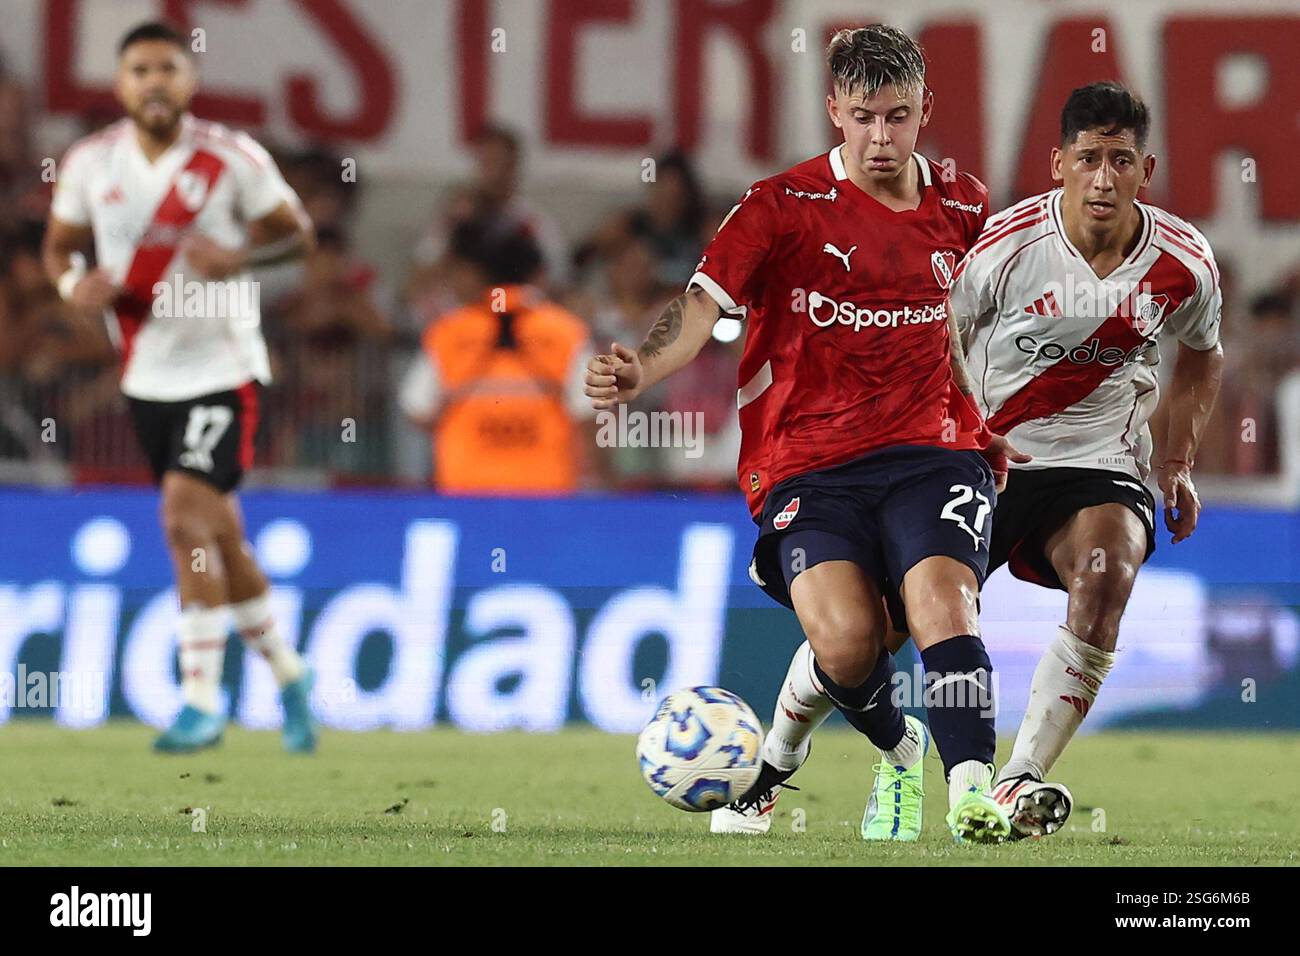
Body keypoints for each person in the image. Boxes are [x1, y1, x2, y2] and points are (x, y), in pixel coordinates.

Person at [756, 81, 1225, 842]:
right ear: (1058, 165)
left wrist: (1173, 462)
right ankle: (775, 762)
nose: (1103, 177)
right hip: (979, 458)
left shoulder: (1185, 264)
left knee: (1108, 574)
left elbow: (1202, 358)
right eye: (1088, 159)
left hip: (1099, 461)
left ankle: (1016, 780)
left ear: (1147, 168)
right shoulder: (1006, 248)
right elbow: (931, 335)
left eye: (1121, 160)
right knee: (868, 637)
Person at [587, 25, 1020, 843]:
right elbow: (702, 307)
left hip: (935, 451)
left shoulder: (964, 203)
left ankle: (973, 797)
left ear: (926, 108)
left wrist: (983, 419)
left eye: (898, 116)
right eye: (864, 117)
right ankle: (892, 748)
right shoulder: (779, 207)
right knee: (852, 642)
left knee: (941, 609)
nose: (881, 137)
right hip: (806, 463)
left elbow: (960, 328)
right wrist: (643, 370)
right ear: (834, 111)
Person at [42, 21, 318, 754]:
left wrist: (240, 254)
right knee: (219, 538)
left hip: (221, 371)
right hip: (144, 374)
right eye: (140, 69)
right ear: (120, 83)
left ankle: (200, 697)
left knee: (180, 516)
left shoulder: (231, 159)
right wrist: (75, 285)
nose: (154, 81)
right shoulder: (88, 163)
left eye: (168, 67)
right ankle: (291, 672)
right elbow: (60, 247)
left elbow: (298, 234)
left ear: (189, 80)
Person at [399, 220, 596, 494]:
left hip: (467, 497)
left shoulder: (448, 332)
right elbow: (588, 415)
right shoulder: (567, 332)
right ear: (537, 272)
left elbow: (417, 409)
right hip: (548, 500)